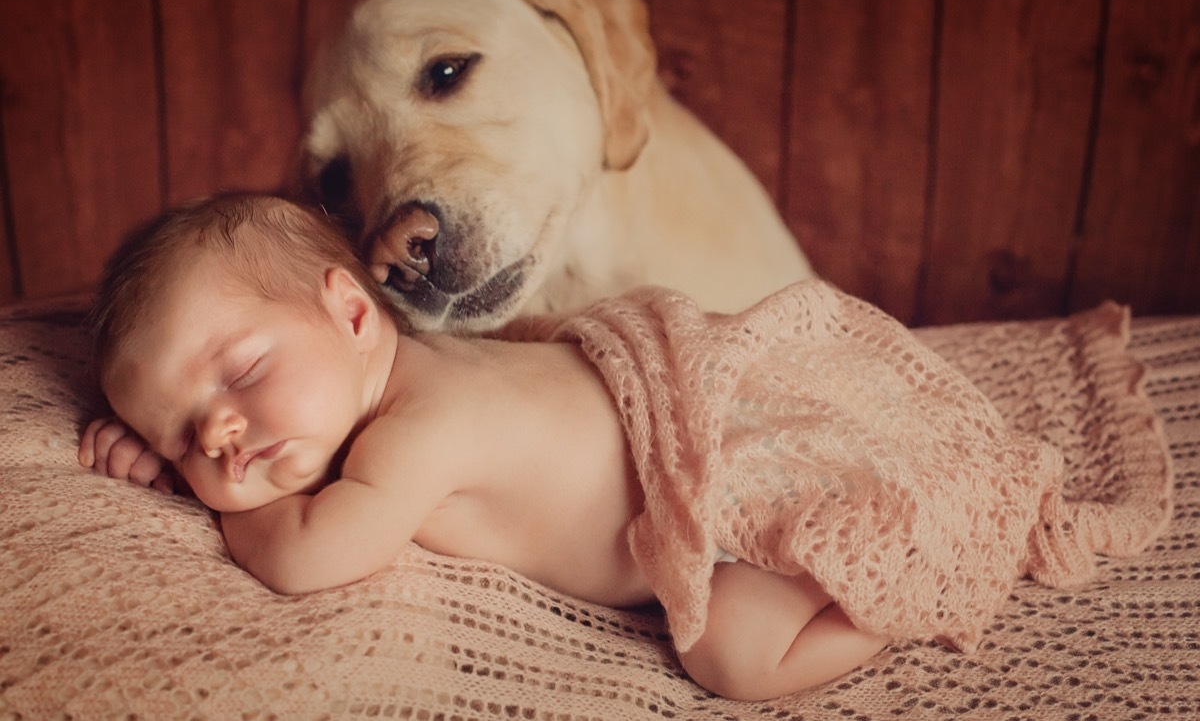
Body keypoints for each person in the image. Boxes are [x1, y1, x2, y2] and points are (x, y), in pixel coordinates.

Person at [78, 193, 889, 701]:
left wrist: (193, 488)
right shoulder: (404, 370)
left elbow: (303, 557)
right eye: (182, 434)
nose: (219, 434)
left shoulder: (423, 430)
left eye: (243, 371)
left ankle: (888, 597)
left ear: (354, 315)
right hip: (714, 454)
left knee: (732, 653)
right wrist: (193, 454)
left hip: (743, 508)